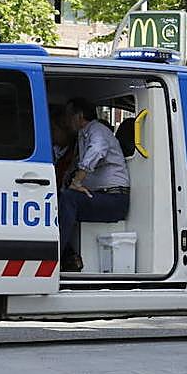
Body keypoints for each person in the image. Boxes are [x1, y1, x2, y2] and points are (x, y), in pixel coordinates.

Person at [57, 98, 130, 272]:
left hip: (113, 199)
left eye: (68, 116)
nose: (66, 122)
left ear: (79, 116)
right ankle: (68, 255)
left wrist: (77, 181)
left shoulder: (98, 130)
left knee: (69, 199)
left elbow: (97, 151)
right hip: (101, 195)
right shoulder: (83, 136)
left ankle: (55, 256)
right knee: (61, 198)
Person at [49, 106, 76, 189]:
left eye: (54, 130)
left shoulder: (72, 154)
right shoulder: (53, 149)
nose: (51, 133)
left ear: (65, 131)